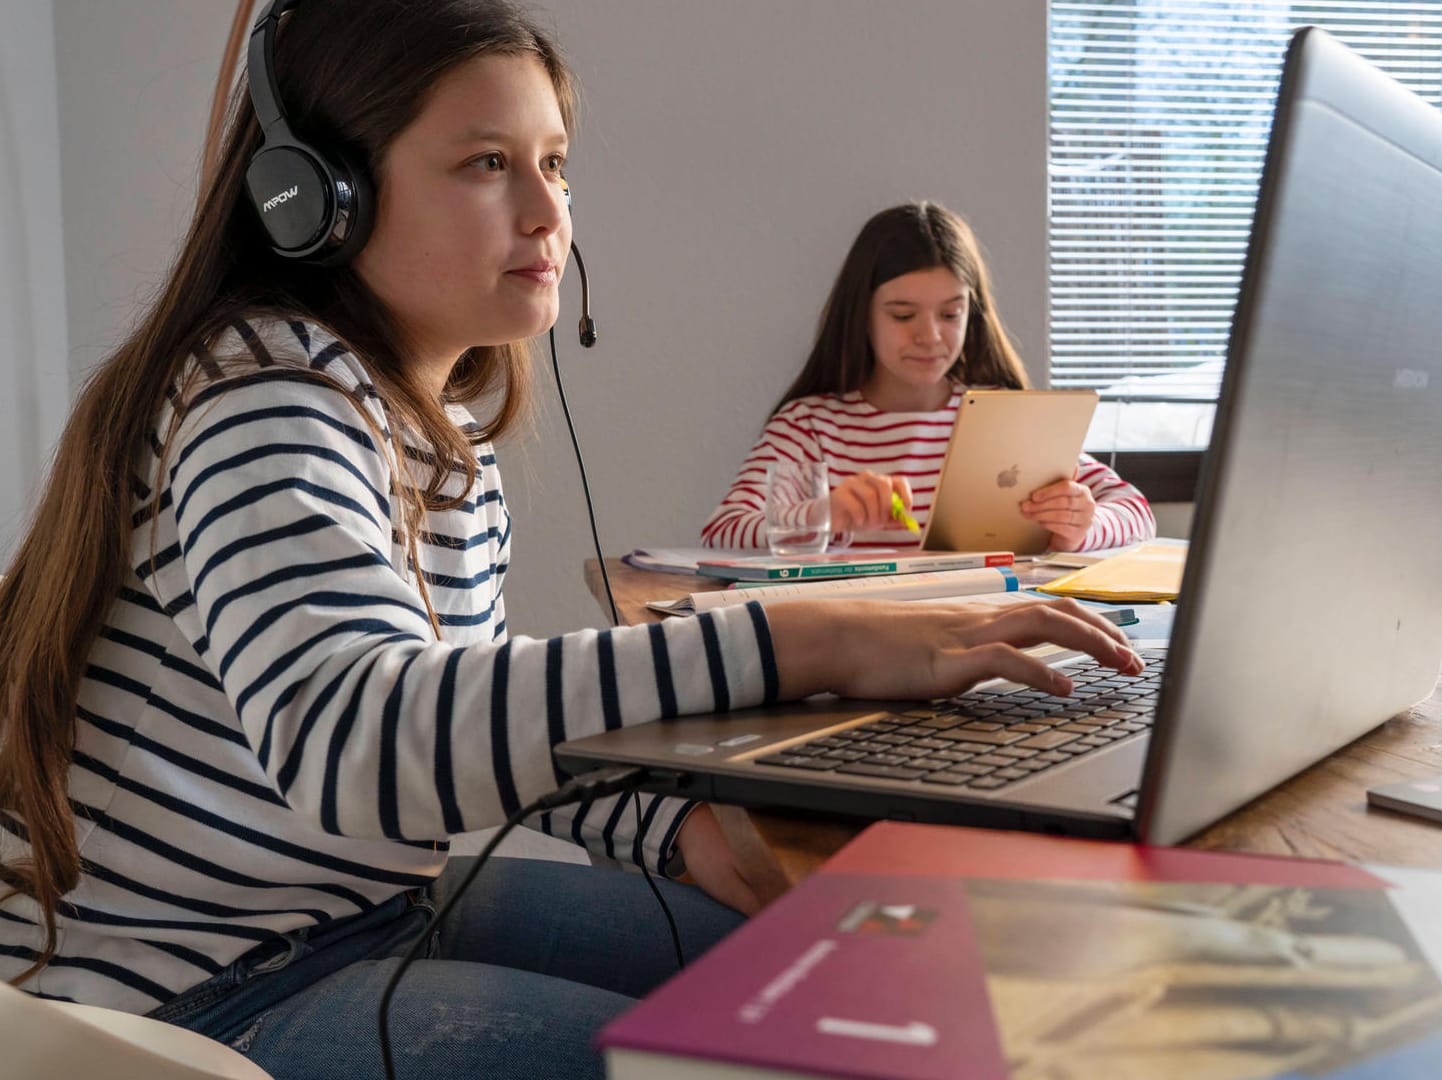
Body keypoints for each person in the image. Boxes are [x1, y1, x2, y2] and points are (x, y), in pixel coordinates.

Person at [0, 3, 1143, 1078]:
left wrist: (666, 826)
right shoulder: (265, 398)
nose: (550, 214)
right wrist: (802, 639)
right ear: (317, 196)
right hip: (189, 990)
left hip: (356, 910)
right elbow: (357, 739)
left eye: (553, 163)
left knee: (825, 977)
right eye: (486, 163)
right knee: (757, 1052)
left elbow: (468, 727)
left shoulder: (436, 433)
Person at [701, 201, 1156, 552]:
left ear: (971, 315)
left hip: (988, 636)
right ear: (862, 316)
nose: (930, 336)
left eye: (950, 314)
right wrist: (823, 514)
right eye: (903, 315)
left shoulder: (1004, 417)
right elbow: (722, 531)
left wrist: (1083, 524)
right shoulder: (810, 425)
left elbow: (1137, 512)